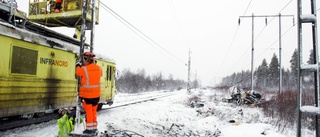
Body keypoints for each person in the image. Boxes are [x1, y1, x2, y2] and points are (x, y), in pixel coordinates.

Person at [75, 52, 102, 134]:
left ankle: (89, 130)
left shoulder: (84, 69)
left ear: (87, 59)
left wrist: (77, 65)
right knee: (94, 111)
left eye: (84, 59)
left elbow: (78, 73)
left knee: (89, 112)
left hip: (87, 95)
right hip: (96, 95)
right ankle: (94, 128)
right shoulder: (99, 68)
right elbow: (100, 74)